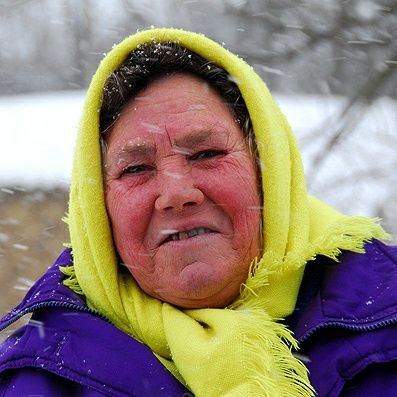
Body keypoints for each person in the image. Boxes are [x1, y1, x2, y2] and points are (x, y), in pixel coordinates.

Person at [0, 28, 396, 397]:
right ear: (99, 210)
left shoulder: (386, 320)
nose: (176, 194)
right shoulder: (38, 379)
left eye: (207, 154)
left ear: (267, 171)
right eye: (136, 168)